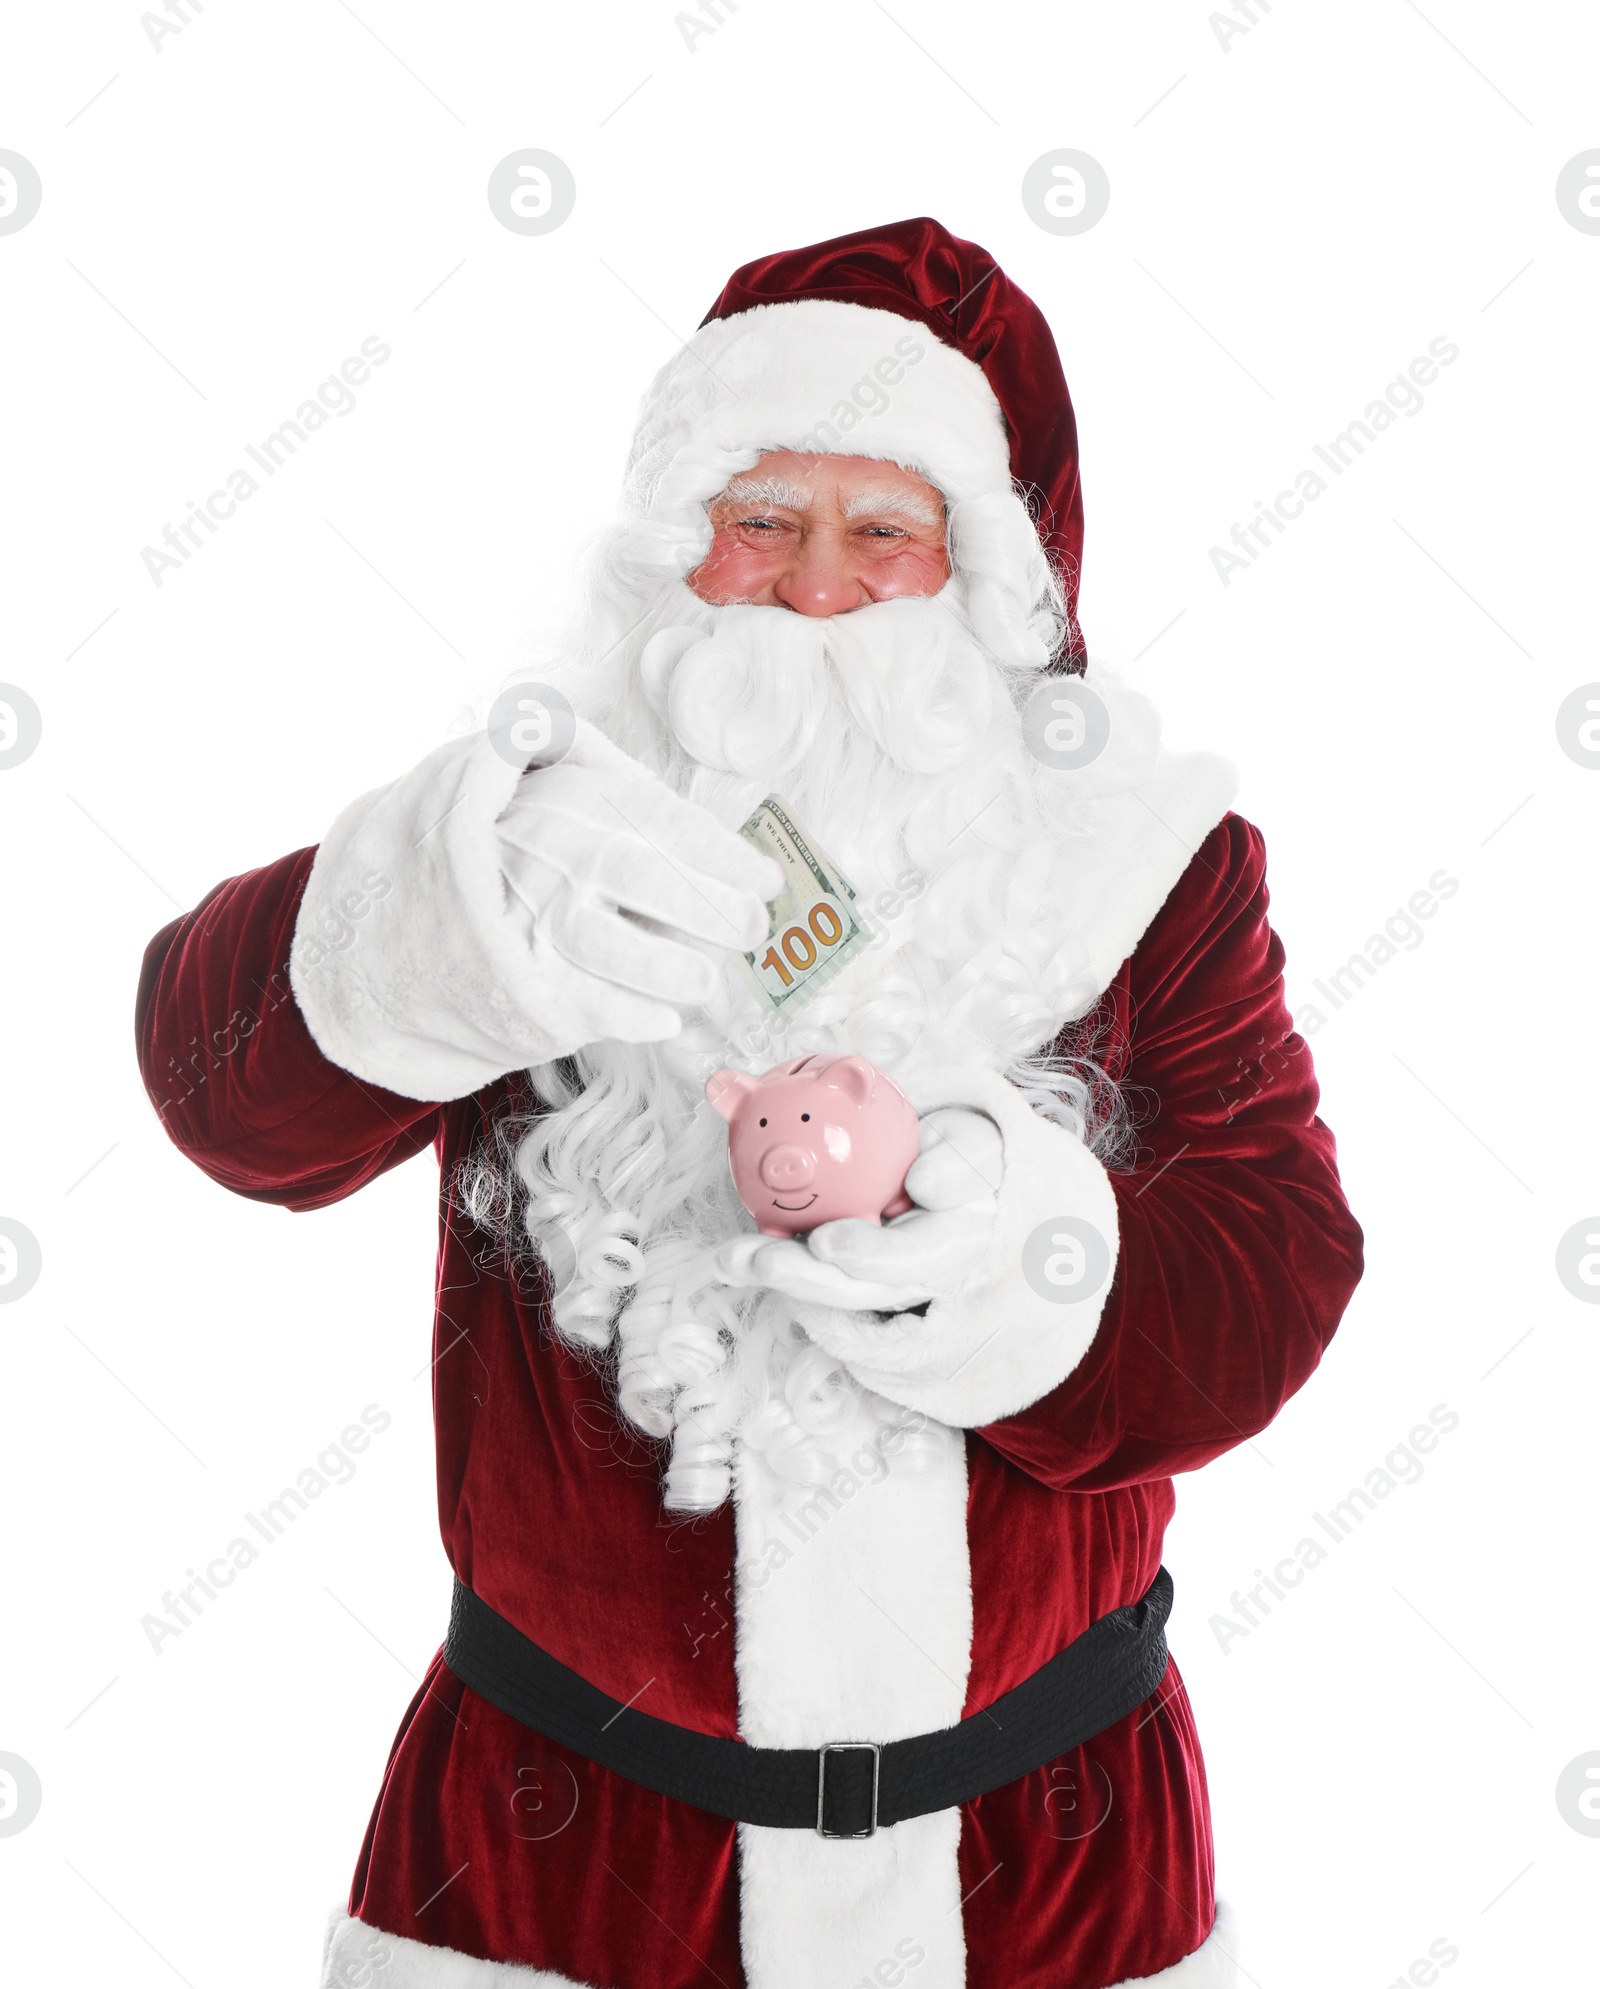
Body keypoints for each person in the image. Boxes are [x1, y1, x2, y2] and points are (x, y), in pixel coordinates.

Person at [136, 217, 1363, 1989]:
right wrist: (444, 924)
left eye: (884, 536)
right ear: (675, 554)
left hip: (1043, 1862)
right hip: (561, 1861)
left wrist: (1006, 1251)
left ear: (987, 582)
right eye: (762, 523)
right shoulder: (541, 834)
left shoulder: (1145, 867)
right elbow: (211, 1091)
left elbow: (1275, 1270)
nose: (808, 589)